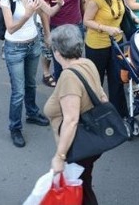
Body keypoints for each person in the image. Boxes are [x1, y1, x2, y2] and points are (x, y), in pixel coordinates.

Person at [1, 0, 64, 148]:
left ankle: (32, 112)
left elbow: (49, 12)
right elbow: (10, 28)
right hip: (14, 48)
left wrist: (59, 4)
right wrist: (28, 14)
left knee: (31, 84)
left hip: (33, 44)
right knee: (18, 91)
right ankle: (15, 128)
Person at [44, 24, 109, 205]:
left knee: (82, 190)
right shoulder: (87, 63)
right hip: (92, 140)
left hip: (79, 145)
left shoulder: (68, 77)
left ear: (57, 52)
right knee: (84, 184)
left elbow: (71, 120)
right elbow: (102, 97)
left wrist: (59, 157)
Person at [84, 0, 139, 117]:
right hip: (97, 46)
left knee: (117, 80)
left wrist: (137, 20)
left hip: (116, 43)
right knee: (96, 82)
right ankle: (95, 115)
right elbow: (86, 20)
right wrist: (107, 29)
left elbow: (125, 9)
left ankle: (120, 115)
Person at [38, 0, 88, 83]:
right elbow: (44, 11)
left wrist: (86, 19)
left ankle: (76, 91)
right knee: (61, 66)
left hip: (77, 26)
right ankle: (62, 96)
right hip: (58, 30)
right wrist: (48, 34)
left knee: (76, 63)